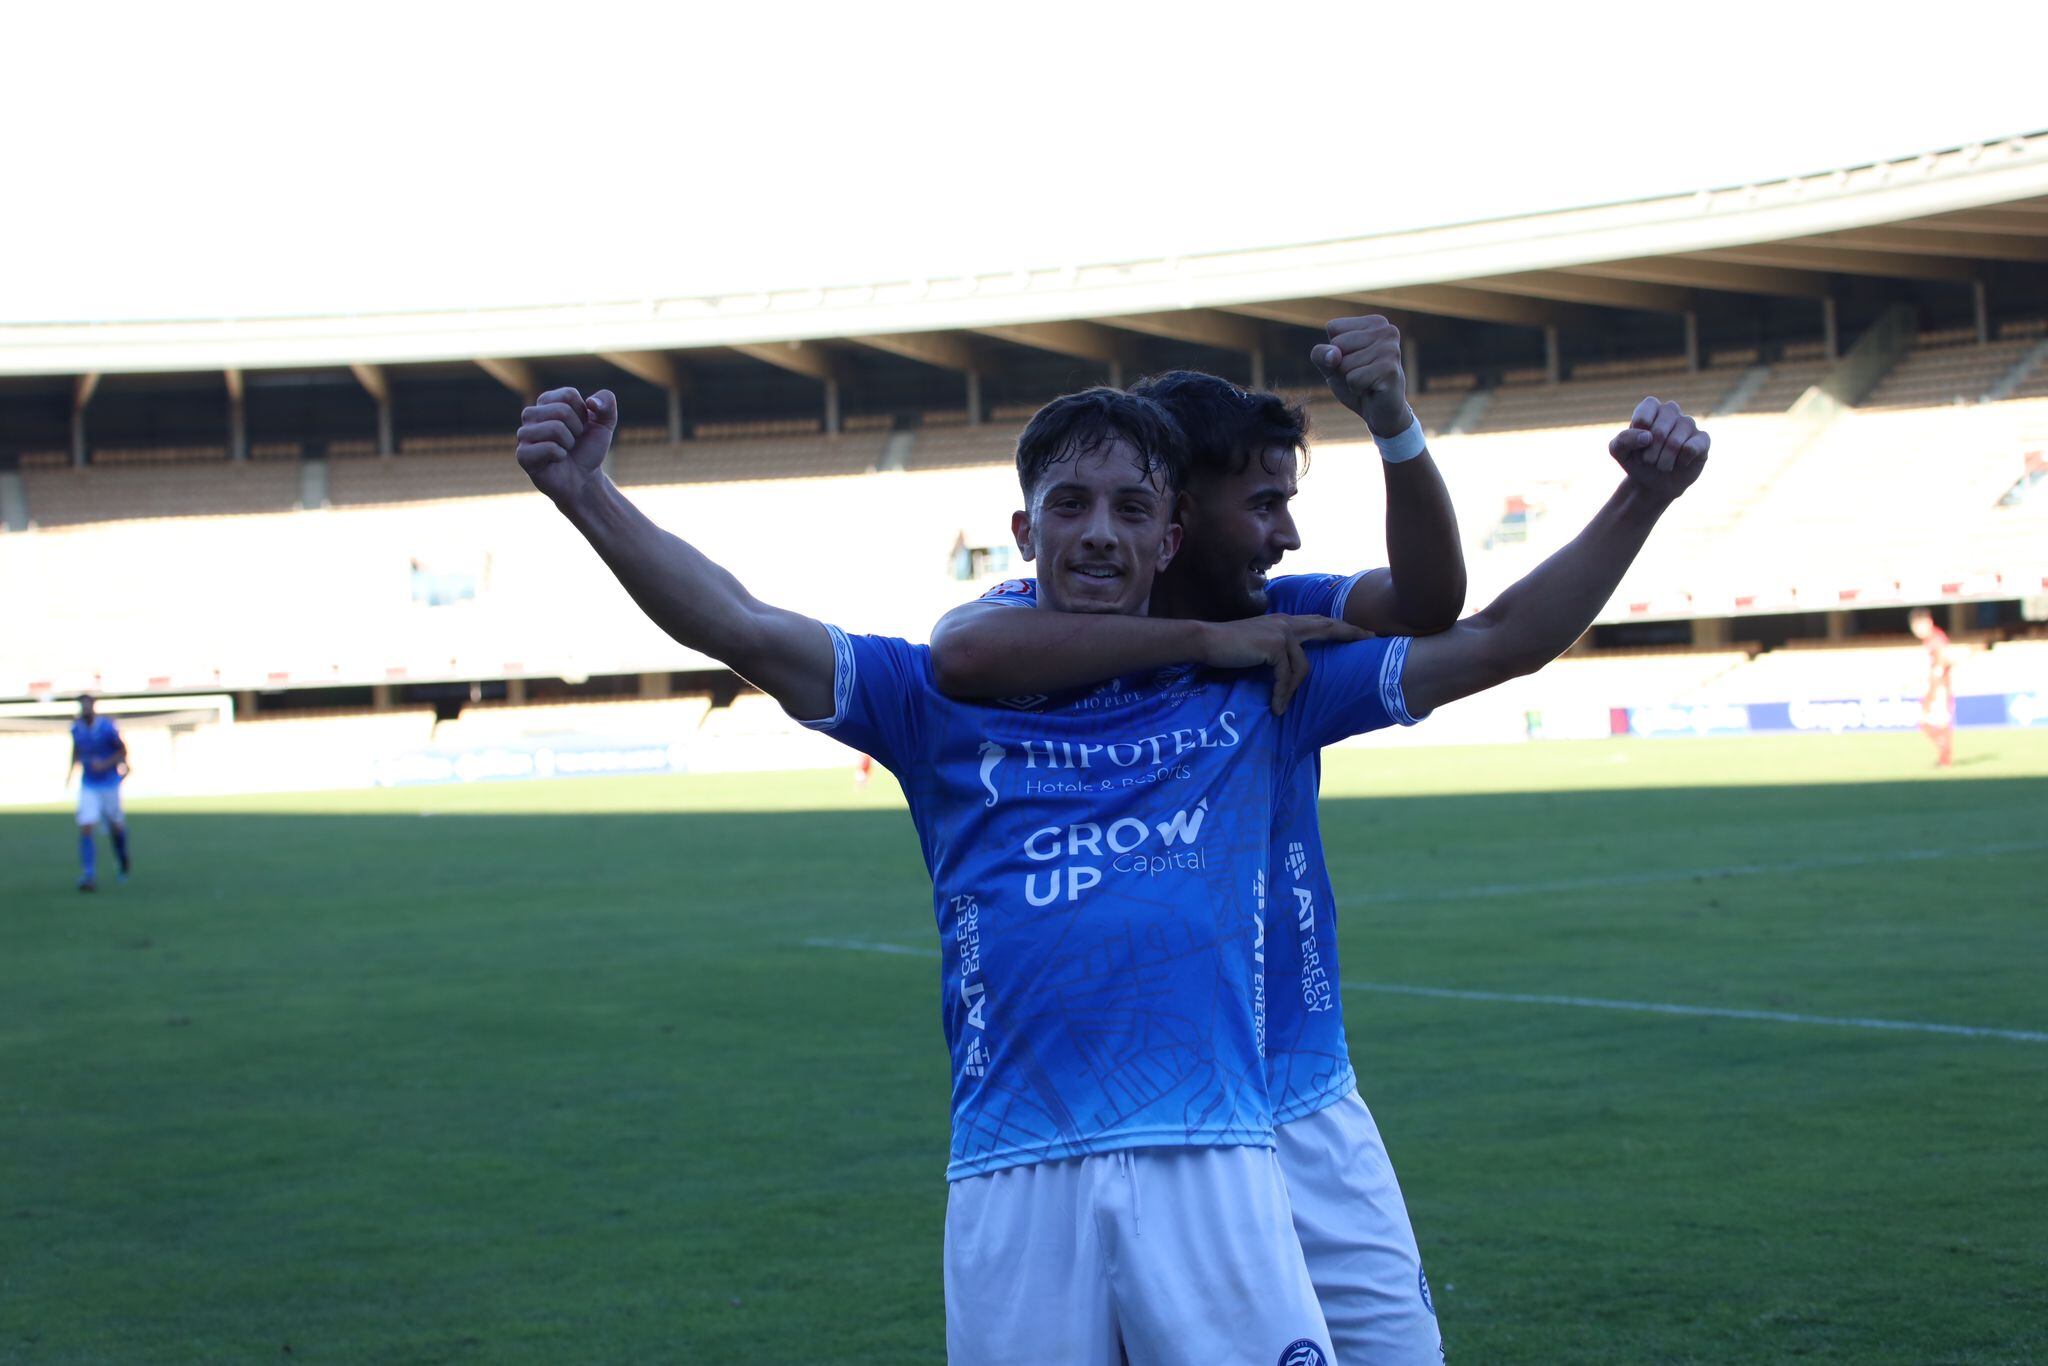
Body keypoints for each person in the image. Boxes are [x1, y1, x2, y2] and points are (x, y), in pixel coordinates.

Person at [514, 375, 1709, 1364]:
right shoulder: (936, 688)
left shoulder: (1264, 672)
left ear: (1166, 531)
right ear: (1023, 532)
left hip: (1219, 1144)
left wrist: (1635, 502)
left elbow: (1490, 634)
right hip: (1011, 1161)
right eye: (1069, 505)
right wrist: (586, 494)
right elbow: (734, 619)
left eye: (1129, 508)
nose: (1098, 531)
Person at [929, 316, 1466, 1360]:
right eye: (1262, 502)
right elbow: (957, 648)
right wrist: (1202, 640)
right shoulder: (1030, 629)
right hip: (1130, 1116)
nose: (1285, 534)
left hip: (1283, 1096)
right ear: (1186, 513)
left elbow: (1440, 607)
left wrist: (1393, 421)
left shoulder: (1283, 617)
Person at [67, 695, 131, 891]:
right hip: (89, 784)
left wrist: (105, 764)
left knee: (116, 827)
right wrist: (70, 773)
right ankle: (89, 875)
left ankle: (122, 859)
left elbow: (122, 751)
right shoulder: (76, 728)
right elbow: (76, 750)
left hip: (109, 783)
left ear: (93, 707)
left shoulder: (106, 728)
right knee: (86, 826)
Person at [1910, 607, 1956, 768]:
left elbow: (1943, 659)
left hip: (1939, 687)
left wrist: (1937, 675)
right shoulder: (1930, 640)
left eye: (1918, 625)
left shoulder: (1936, 638)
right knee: (1927, 722)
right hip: (1934, 686)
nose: (1916, 630)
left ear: (1928, 622)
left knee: (1934, 722)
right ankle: (1944, 756)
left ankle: (1945, 758)